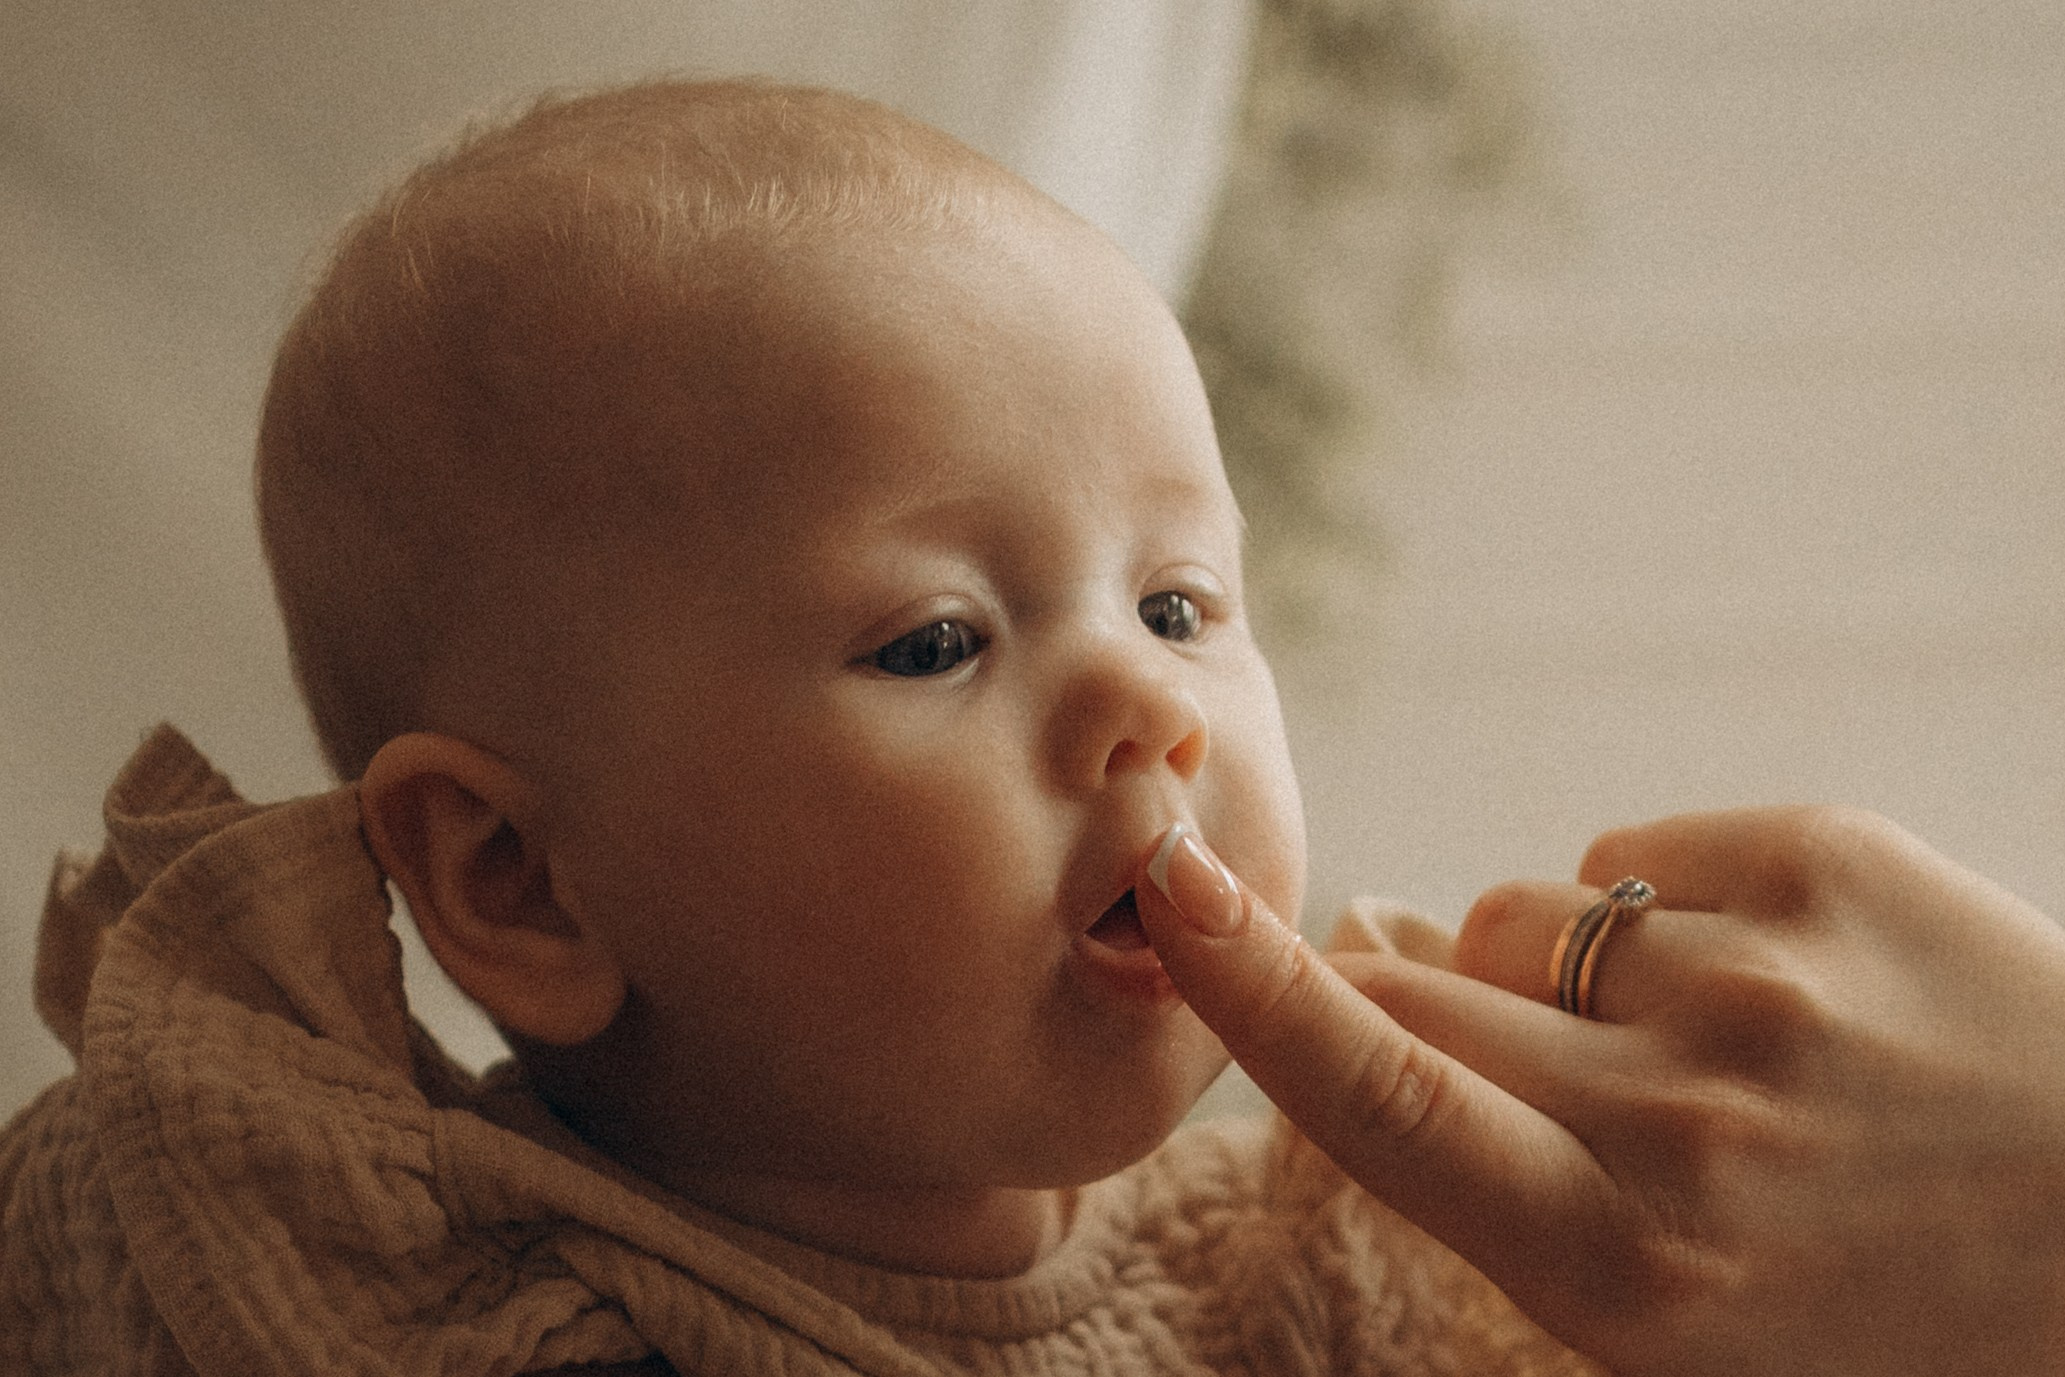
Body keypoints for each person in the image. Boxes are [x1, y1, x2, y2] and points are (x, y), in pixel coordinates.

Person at [2, 77, 2061, 1376]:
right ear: (521, 880)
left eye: (1179, 603)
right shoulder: (331, 1264)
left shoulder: (1339, 1276)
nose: (1147, 700)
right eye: (936, 639)